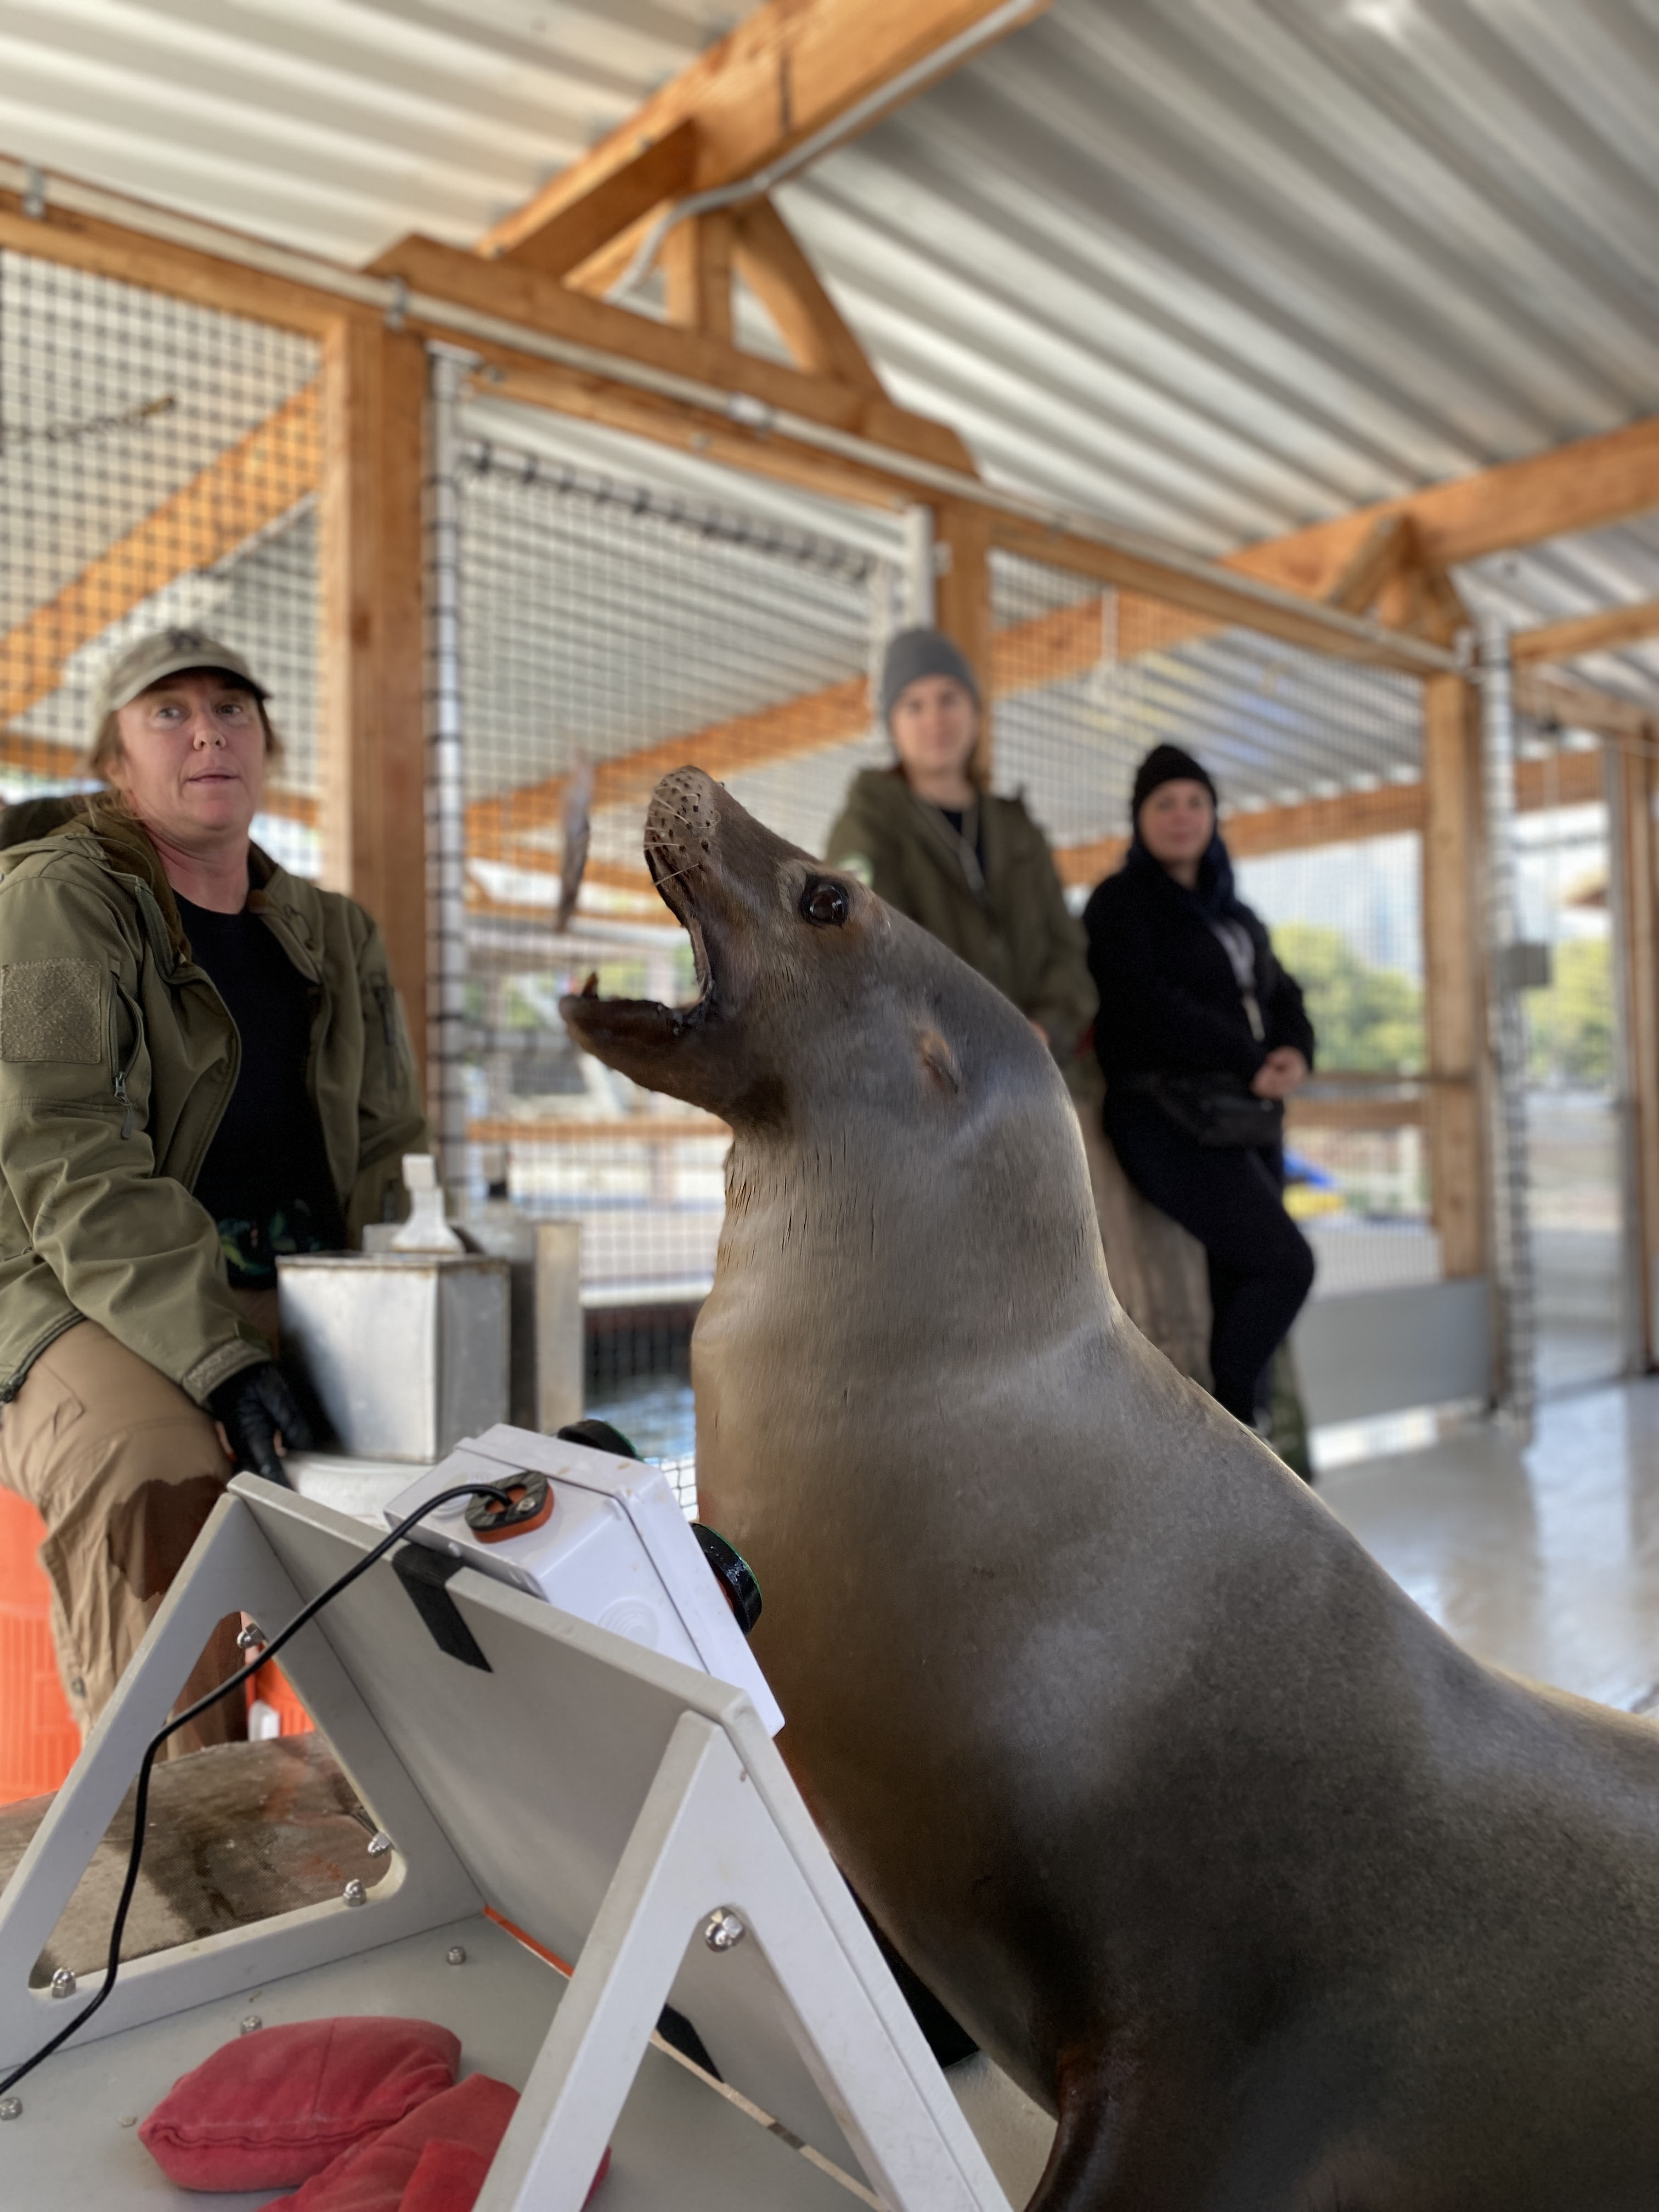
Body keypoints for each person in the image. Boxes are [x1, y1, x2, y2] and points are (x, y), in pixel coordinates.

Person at [0, 628, 426, 1749]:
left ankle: (413, 1803)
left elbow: (388, 1151)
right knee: (156, 1469)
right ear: (116, 762)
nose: (207, 733)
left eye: (232, 710)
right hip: (69, 1283)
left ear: (267, 744)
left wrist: (418, 1326)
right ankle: (175, 1838)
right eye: (169, 713)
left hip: (288, 1278)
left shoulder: (337, 934)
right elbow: (67, 1157)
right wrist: (220, 1360)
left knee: (456, 1447)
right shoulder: (52, 904)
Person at [1084, 742, 1316, 1438]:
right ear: (1139, 819)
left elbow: (1286, 995)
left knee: (1240, 1278)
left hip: (1243, 1116)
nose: (1182, 816)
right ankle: (1233, 1427)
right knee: (1285, 1265)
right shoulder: (1119, 904)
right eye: (1165, 804)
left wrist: (1293, 1055)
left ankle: (1249, 1440)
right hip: (1165, 1115)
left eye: (1195, 802)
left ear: (1213, 815)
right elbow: (1147, 1004)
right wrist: (1249, 1058)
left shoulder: (1235, 914)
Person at [825, 627, 1094, 1063]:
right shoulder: (870, 824)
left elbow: (1068, 950)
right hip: (933, 1085)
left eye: (950, 698)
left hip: (1043, 1075)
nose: (935, 719)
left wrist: (1046, 1029)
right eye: (914, 705)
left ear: (975, 709)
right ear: (892, 722)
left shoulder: (1018, 829)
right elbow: (862, 953)